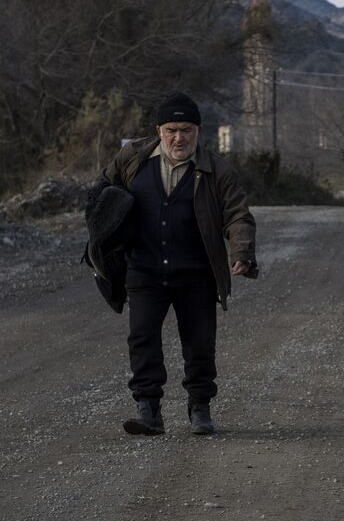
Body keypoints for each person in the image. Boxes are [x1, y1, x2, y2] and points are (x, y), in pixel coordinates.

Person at [102, 92, 258, 436]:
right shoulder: (133, 159)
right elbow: (103, 193)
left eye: (186, 129)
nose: (178, 137)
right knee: (142, 338)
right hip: (143, 269)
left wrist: (242, 252)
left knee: (200, 342)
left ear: (198, 131)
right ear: (159, 129)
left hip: (196, 274)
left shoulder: (217, 170)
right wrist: (103, 240)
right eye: (171, 129)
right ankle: (148, 410)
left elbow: (237, 215)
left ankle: (200, 408)